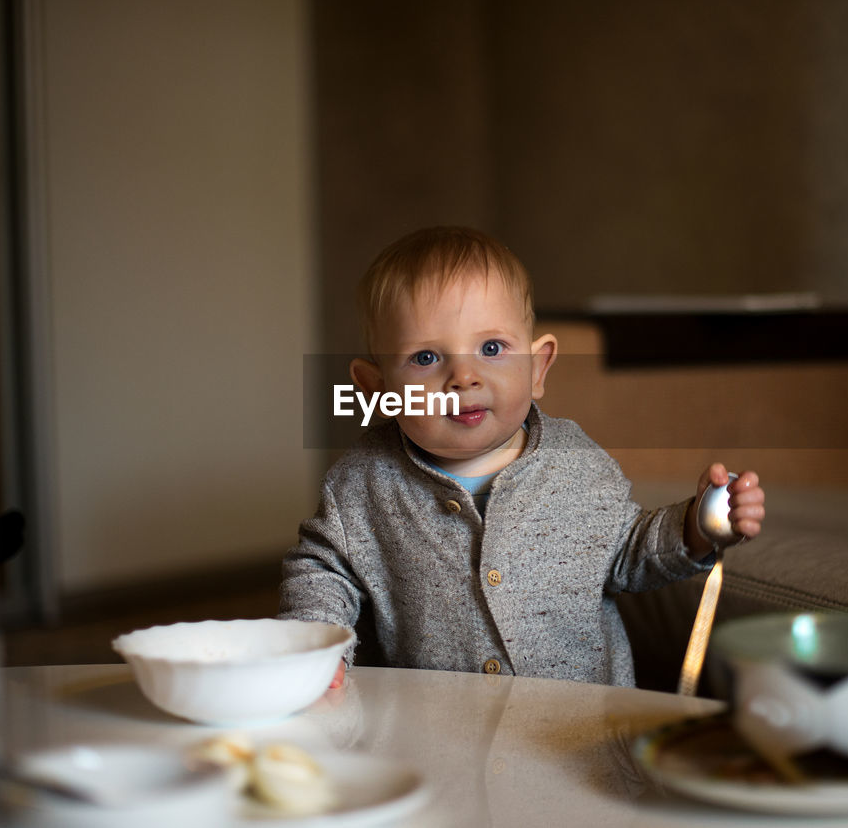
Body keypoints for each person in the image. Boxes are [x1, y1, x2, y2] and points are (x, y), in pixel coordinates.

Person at [279, 226, 765, 689]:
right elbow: (321, 570)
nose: (463, 377)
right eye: (426, 357)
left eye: (491, 348)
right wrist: (315, 650)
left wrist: (696, 528)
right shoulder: (361, 483)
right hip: (437, 730)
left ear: (538, 367)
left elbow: (626, 551)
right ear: (378, 389)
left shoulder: (575, 464)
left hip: (575, 730)